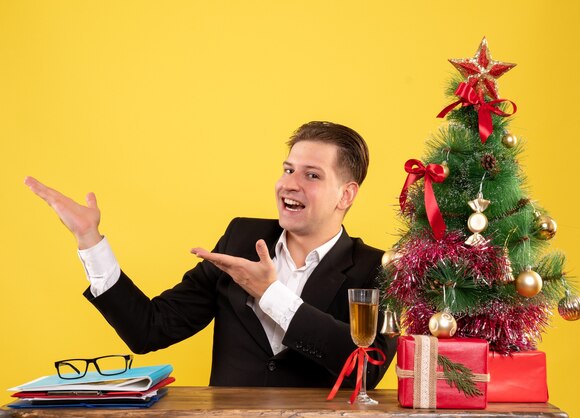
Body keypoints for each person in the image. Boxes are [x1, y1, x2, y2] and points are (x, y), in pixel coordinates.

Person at [25, 121, 397, 388]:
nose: (289, 184)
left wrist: (272, 295)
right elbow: (149, 329)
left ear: (346, 195)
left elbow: (367, 370)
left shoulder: (379, 269)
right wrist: (90, 239)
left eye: (311, 175)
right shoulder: (241, 239)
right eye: (288, 169)